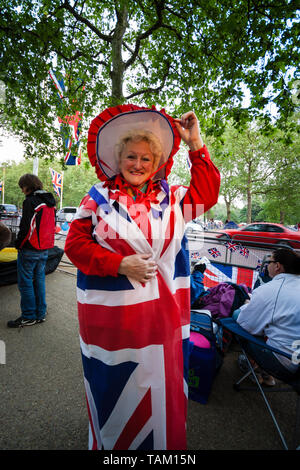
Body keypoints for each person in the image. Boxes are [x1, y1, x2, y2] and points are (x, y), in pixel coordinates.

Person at [65, 103, 220, 450]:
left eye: (145, 159)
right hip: (111, 324)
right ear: (119, 160)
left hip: (161, 321)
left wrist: (195, 142)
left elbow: (208, 192)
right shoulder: (97, 198)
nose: (138, 164)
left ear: (157, 163)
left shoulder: (175, 199)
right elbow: (74, 245)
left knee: (160, 393)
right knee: (114, 391)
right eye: (131, 157)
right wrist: (119, 264)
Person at [235, 248, 300, 385]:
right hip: (295, 359)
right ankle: (262, 372)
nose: (267, 265)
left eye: (269, 261)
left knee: (237, 317)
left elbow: (247, 324)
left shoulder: (270, 290)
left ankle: (254, 367)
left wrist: (246, 306)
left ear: (277, 266)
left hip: (285, 363)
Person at [7, 174, 56, 328]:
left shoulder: (30, 201)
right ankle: (40, 313)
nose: (22, 191)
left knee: (26, 283)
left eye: (22, 187)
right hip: (44, 248)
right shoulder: (50, 201)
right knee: (39, 280)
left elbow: (26, 228)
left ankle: (28, 316)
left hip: (30, 248)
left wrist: (18, 244)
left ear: (28, 186)